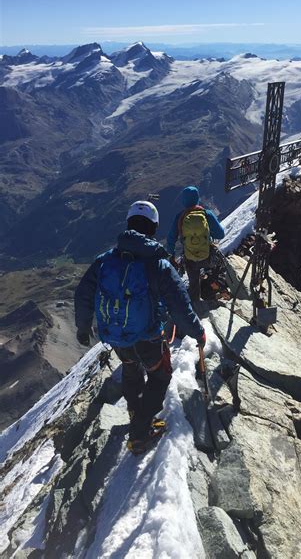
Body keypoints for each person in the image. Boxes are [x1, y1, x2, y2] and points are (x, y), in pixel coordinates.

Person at [74, 200, 206, 454]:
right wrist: (198, 332)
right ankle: (140, 433)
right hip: (147, 336)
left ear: (128, 224)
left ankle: (136, 412)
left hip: (116, 335)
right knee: (161, 375)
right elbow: (179, 306)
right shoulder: (157, 265)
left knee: (131, 369)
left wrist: (83, 328)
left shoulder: (105, 260)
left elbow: (83, 294)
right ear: (154, 228)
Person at [167, 186, 225, 308]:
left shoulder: (180, 217)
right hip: (208, 256)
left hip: (190, 258)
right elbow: (220, 234)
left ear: (183, 201)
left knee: (193, 284)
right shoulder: (206, 214)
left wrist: (171, 256)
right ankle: (212, 296)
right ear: (197, 198)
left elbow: (171, 238)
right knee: (216, 270)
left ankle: (196, 306)